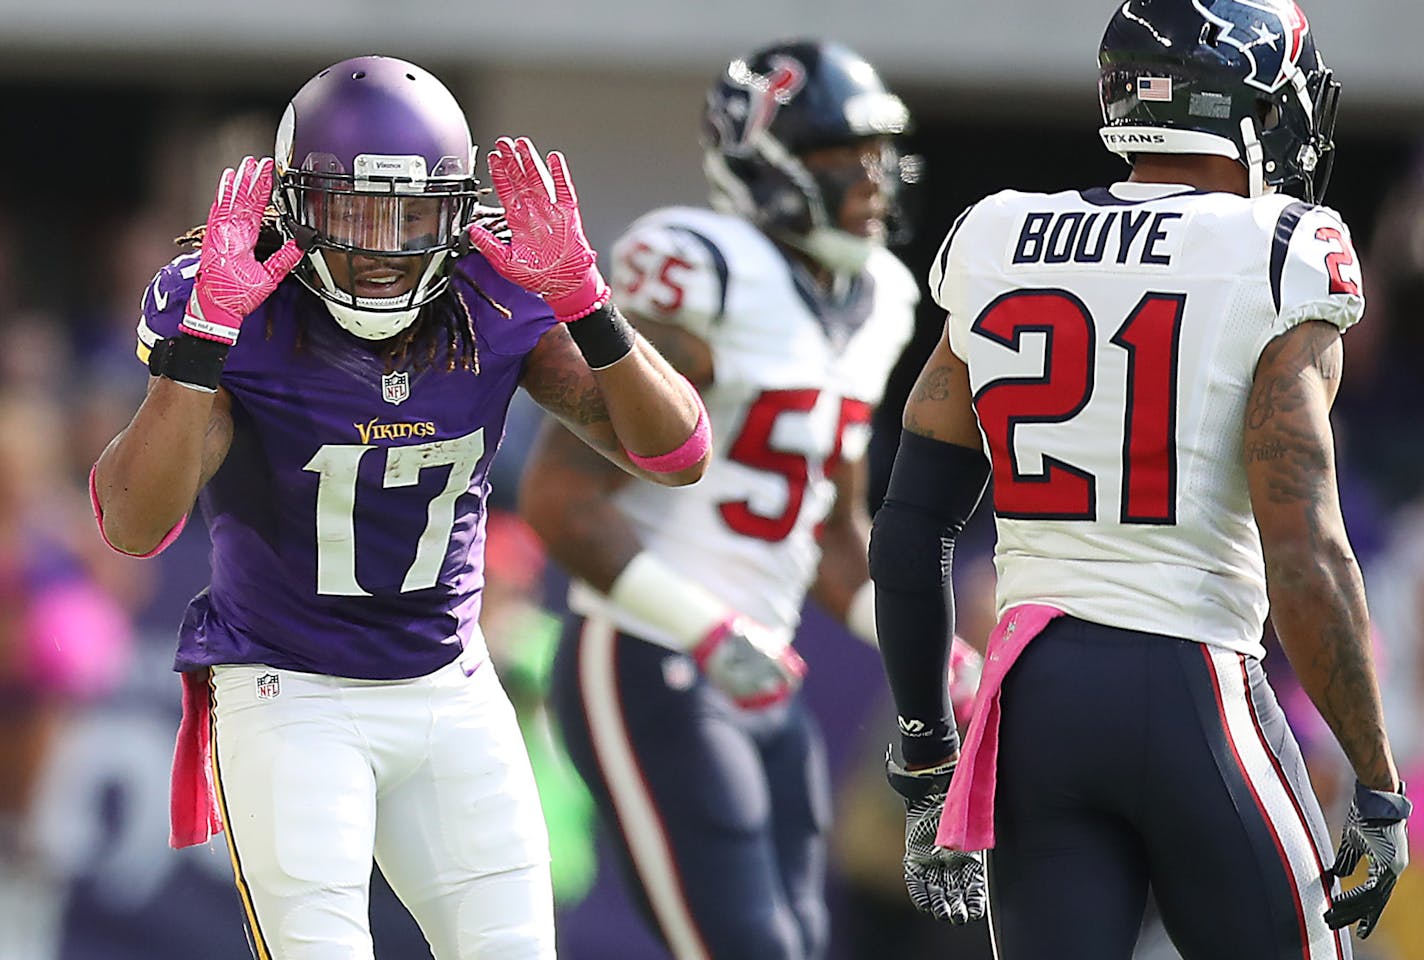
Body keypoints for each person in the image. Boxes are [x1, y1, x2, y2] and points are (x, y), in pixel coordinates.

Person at [88, 54, 711, 960]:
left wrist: (585, 298)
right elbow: (133, 526)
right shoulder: (240, 305)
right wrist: (204, 337)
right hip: (288, 687)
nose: (382, 248)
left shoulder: (499, 292)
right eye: (352, 209)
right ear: (296, 207)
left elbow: (676, 454)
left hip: (450, 686)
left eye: (412, 214)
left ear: (456, 214)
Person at [868, 2, 1412, 958]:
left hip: (1031, 703)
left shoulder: (997, 235)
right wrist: (1376, 779)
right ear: (1247, 103)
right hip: (1193, 679)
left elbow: (911, 532)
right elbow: (1305, 548)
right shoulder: (1281, 248)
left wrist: (926, 756)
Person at [519, 39, 920, 960]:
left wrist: (934, 654)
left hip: (758, 666)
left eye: (876, 153)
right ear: (764, 163)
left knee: (802, 941)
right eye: (838, 154)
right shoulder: (705, 267)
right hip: (650, 648)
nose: (870, 178)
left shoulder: (880, 297)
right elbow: (559, 496)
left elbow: (833, 535)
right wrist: (702, 626)